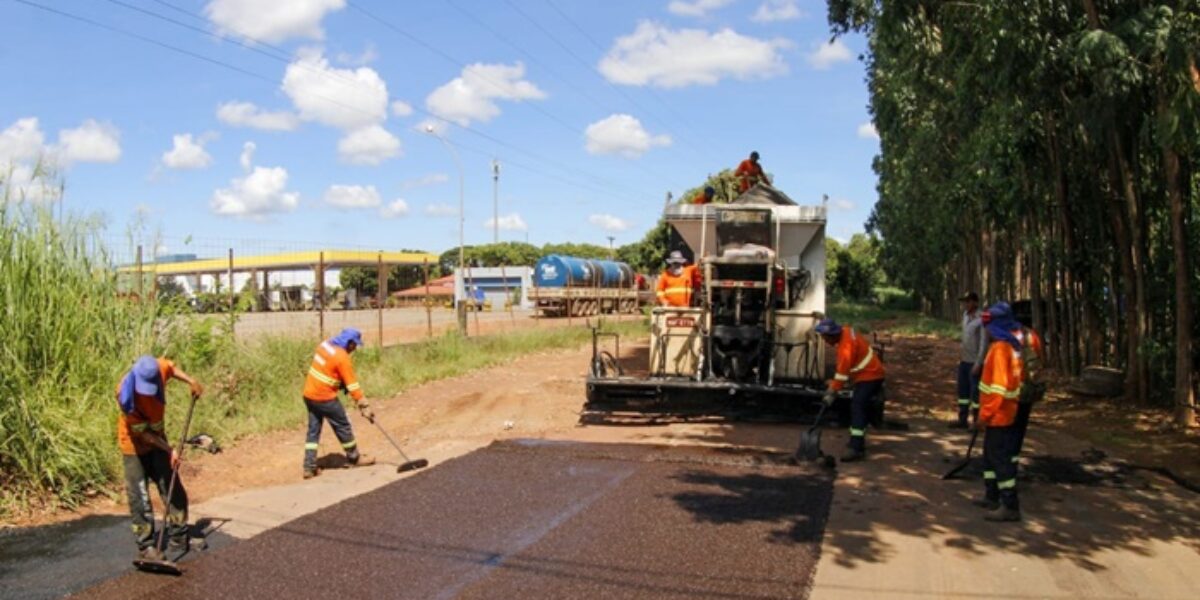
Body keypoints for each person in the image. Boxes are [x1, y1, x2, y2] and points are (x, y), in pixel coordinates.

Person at [115, 355, 204, 561]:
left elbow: (171, 369)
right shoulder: (125, 394)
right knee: (140, 496)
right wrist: (169, 449)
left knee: (172, 486)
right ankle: (146, 547)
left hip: (158, 440)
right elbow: (143, 433)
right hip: (134, 445)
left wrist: (192, 382)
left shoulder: (157, 368)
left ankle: (179, 536)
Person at [302, 328, 376, 479]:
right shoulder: (342, 358)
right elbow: (353, 385)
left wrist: (339, 383)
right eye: (354, 345)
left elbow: (327, 369)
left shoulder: (324, 345)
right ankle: (354, 457)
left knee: (313, 430)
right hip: (325, 398)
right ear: (348, 343)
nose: (354, 349)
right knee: (342, 425)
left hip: (309, 395)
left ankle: (309, 467)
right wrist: (364, 405)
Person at [975, 302, 1024, 522]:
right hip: (999, 415)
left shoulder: (1000, 350)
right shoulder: (1007, 347)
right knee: (989, 457)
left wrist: (983, 416)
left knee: (1001, 460)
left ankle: (1010, 504)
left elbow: (997, 389)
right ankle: (992, 495)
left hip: (1000, 416)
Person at [815, 319, 886, 462]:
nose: (824, 340)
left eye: (824, 337)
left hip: (870, 376)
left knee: (857, 406)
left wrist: (831, 392)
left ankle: (856, 447)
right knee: (860, 405)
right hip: (868, 373)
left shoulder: (845, 348)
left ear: (832, 335)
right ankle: (859, 441)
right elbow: (844, 372)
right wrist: (836, 383)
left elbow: (842, 374)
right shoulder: (846, 331)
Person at [951, 292, 984, 429]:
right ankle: (962, 419)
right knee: (963, 392)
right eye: (964, 302)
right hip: (964, 360)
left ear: (975, 303)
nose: (965, 304)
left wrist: (978, 363)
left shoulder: (981, 319)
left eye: (968, 302)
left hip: (974, 362)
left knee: (975, 393)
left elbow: (983, 343)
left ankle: (976, 421)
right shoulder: (965, 317)